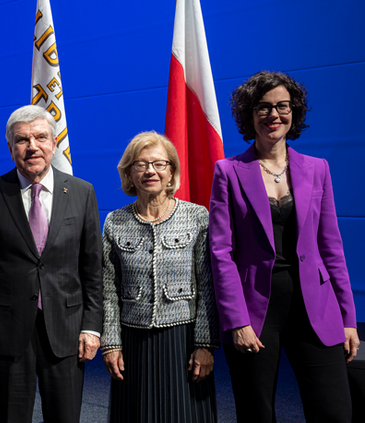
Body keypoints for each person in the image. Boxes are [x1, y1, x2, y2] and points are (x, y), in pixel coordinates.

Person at [209, 71, 360, 422]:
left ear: (294, 113)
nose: (273, 115)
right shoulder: (228, 171)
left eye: (282, 106)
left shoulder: (317, 168)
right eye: (263, 107)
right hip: (255, 308)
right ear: (249, 115)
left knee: (335, 412)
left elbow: (331, 248)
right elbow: (221, 252)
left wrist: (348, 319)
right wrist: (236, 320)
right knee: (257, 413)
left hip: (316, 304)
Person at [0, 105, 103, 423]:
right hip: (6, 335)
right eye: (22, 140)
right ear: (10, 147)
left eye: (41, 137)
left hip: (66, 331)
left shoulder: (82, 193)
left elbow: (93, 269)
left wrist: (92, 327)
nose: (32, 146)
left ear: (54, 143)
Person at [101, 131, 218, 422]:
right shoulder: (114, 221)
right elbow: (107, 288)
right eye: (140, 164)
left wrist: (205, 344)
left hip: (183, 340)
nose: (150, 171)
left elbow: (208, 285)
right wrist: (111, 343)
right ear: (129, 173)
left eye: (159, 164)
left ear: (171, 172)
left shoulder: (197, 216)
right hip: (132, 342)